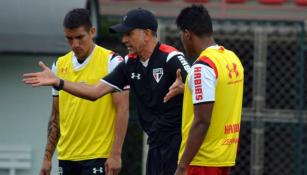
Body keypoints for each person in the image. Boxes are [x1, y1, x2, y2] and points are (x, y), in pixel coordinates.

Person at [23, 8, 190, 175]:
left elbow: (204, 93)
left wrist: (186, 89)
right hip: (155, 146)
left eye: (129, 34)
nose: (124, 39)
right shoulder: (129, 63)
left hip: (180, 145)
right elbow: (95, 92)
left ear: (146, 33)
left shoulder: (171, 57)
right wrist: (59, 82)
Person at [38, 8, 129, 175]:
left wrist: (116, 154)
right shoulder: (59, 65)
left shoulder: (112, 61)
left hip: (98, 156)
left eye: (80, 37)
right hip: (67, 157)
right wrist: (47, 158)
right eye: (69, 39)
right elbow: (56, 116)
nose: (75, 44)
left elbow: (122, 110)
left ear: (92, 32)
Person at [171, 5, 244, 175]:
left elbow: (202, 121)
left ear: (187, 34)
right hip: (224, 156)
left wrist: (182, 166)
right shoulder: (232, 59)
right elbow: (220, 94)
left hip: (201, 159)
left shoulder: (202, 67)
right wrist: (188, 89)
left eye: (181, 34)